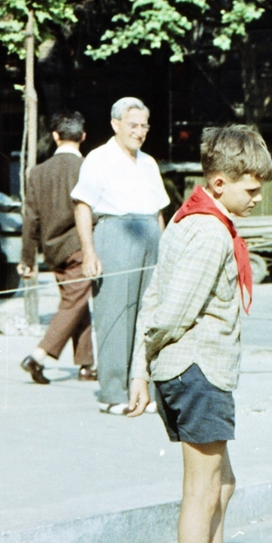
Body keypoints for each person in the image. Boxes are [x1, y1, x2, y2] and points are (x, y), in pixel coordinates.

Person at [127, 124, 272, 543]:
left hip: (202, 371)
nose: (258, 198)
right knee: (201, 491)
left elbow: (155, 296)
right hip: (196, 371)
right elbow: (168, 312)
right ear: (217, 183)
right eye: (251, 189)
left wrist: (143, 370)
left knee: (221, 485)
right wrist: (141, 369)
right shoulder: (208, 232)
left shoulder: (201, 221)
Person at [73, 96, 169, 414]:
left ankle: (145, 390)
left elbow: (158, 212)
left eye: (144, 126)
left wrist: (165, 248)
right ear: (116, 125)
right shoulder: (98, 159)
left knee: (150, 314)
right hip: (115, 234)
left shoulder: (149, 163)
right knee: (115, 313)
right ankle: (113, 392)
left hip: (149, 237)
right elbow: (83, 206)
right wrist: (89, 252)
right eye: (133, 125)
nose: (139, 132)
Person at [19, 110, 94, 384]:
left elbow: (31, 219)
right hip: (80, 247)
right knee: (74, 302)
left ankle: (86, 364)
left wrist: (28, 258)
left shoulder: (37, 173)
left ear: (55, 136)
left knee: (76, 302)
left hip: (53, 250)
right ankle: (37, 356)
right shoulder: (87, 167)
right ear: (83, 136)